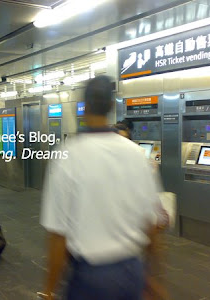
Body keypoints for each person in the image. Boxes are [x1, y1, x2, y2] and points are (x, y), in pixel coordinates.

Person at [40, 76, 164, 300]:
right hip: (132, 271)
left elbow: (58, 235)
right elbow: (151, 223)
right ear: (110, 106)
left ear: (84, 108)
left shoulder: (68, 155)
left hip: (91, 279)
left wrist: (49, 290)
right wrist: (153, 277)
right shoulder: (136, 153)